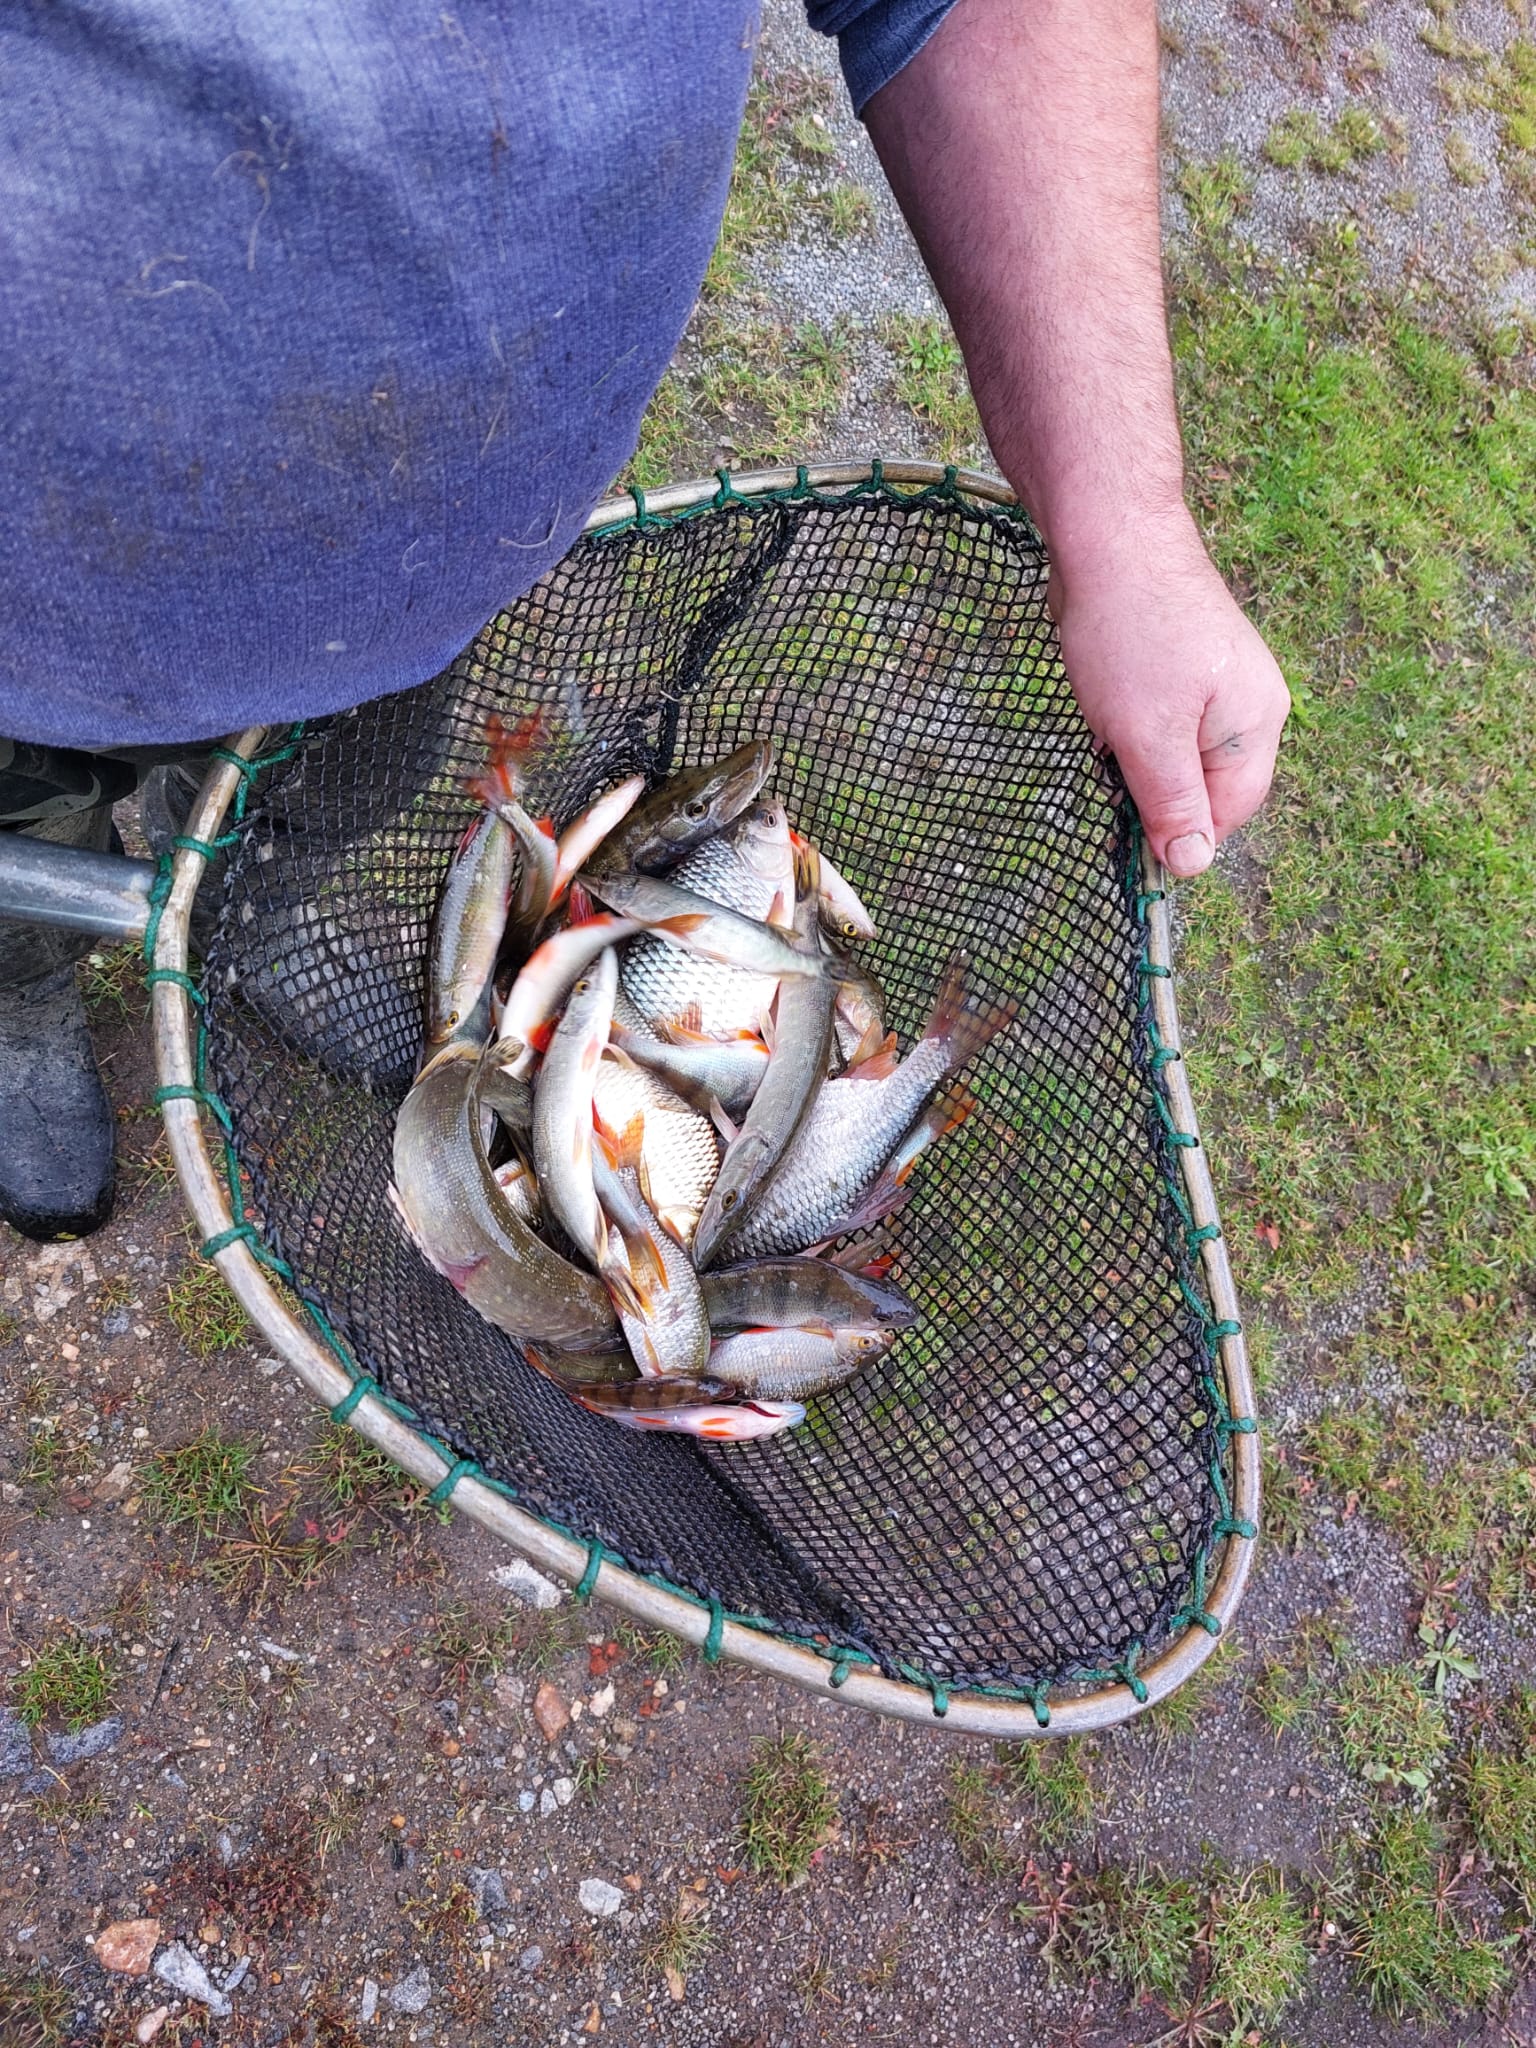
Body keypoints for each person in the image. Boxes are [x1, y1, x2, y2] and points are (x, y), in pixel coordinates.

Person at [0, 0, 1288, 1241]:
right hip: (28, 584)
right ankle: (20, 991)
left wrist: (1126, 523)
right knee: (18, 832)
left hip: (426, 564)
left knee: (345, 776)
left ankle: (259, 909)